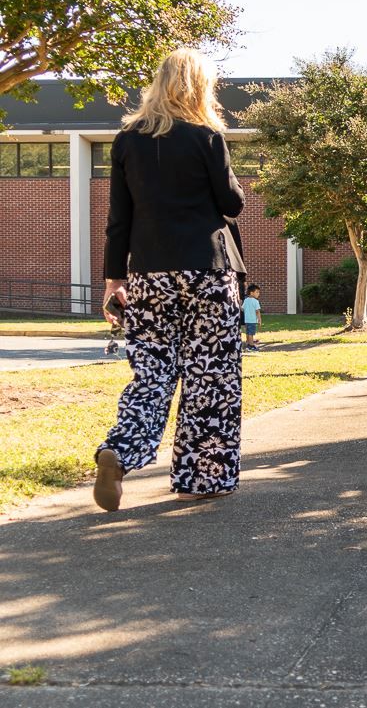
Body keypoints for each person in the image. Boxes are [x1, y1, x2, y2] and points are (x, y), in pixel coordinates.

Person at [94, 48, 246, 511]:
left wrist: (113, 281)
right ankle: (201, 479)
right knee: (210, 377)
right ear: (201, 88)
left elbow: (118, 220)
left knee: (152, 374)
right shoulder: (206, 137)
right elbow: (232, 203)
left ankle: (119, 452)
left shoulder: (127, 140)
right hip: (208, 271)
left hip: (148, 274)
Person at [242, 284, 262, 351]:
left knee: (248, 333)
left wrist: (239, 304)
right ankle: (251, 345)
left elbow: (242, 309)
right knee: (251, 333)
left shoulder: (246, 300)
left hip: (246, 320)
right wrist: (259, 319)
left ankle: (248, 343)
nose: (258, 294)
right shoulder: (256, 301)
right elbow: (257, 311)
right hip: (252, 320)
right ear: (251, 293)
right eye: (257, 292)